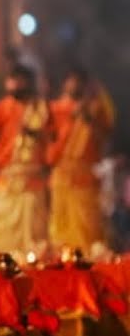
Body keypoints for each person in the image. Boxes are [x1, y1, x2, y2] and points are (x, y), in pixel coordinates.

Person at [0, 65, 53, 257]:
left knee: (34, 237)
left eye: (21, 80)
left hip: (32, 184)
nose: (16, 85)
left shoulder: (41, 110)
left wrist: (36, 134)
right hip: (5, 181)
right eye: (12, 80)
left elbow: (51, 142)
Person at [48, 68, 116, 251]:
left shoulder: (96, 109)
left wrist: (88, 119)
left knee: (87, 230)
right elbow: (49, 140)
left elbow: (105, 137)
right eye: (70, 80)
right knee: (60, 229)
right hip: (61, 177)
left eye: (78, 81)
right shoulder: (55, 109)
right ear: (64, 84)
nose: (73, 85)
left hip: (85, 179)